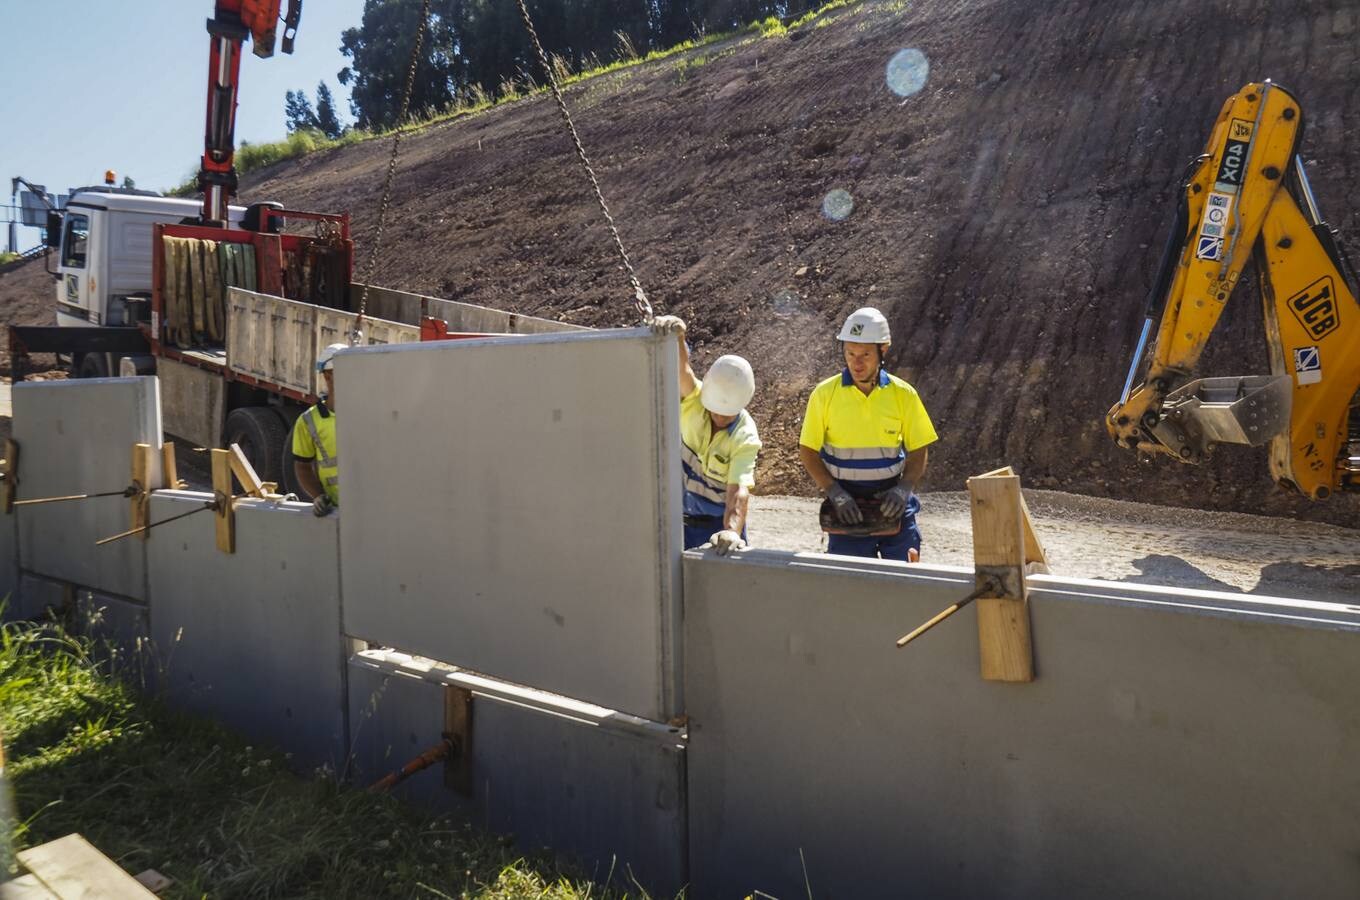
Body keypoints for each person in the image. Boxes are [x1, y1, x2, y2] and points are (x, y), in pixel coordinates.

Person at [798, 307, 937, 560]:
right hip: (846, 506)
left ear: (883, 351)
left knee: (904, 582)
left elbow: (919, 448)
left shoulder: (903, 395)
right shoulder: (824, 395)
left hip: (893, 503)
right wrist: (834, 492)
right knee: (851, 588)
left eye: (864, 354)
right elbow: (808, 450)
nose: (856, 363)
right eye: (850, 353)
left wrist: (904, 488)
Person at [653, 315, 761, 555]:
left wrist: (731, 530)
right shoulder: (695, 400)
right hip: (678, 524)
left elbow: (739, 490)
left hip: (716, 527)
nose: (720, 419)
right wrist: (678, 337)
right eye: (715, 411)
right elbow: (683, 370)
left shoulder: (745, 436)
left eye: (727, 415)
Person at [292, 342, 346, 517]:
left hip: (370, 506)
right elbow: (302, 466)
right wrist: (318, 496)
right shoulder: (309, 421)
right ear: (328, 375)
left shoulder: (367, 413)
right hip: (336, 510)